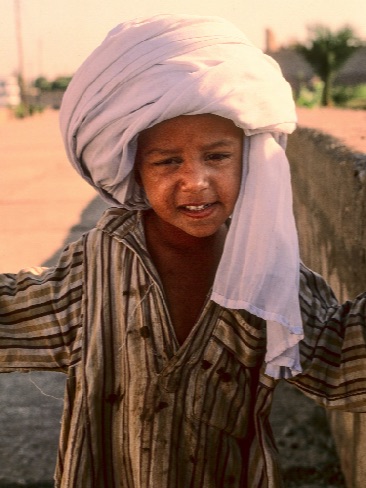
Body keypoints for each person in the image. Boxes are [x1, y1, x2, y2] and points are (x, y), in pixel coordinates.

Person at [1, 13, 365, 488]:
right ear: (135, 169)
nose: (195, 181)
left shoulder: (270, 275)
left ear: (249, 157)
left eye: (217, 157)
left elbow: (337, 361)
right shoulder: (94, 271)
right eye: (167, 161)